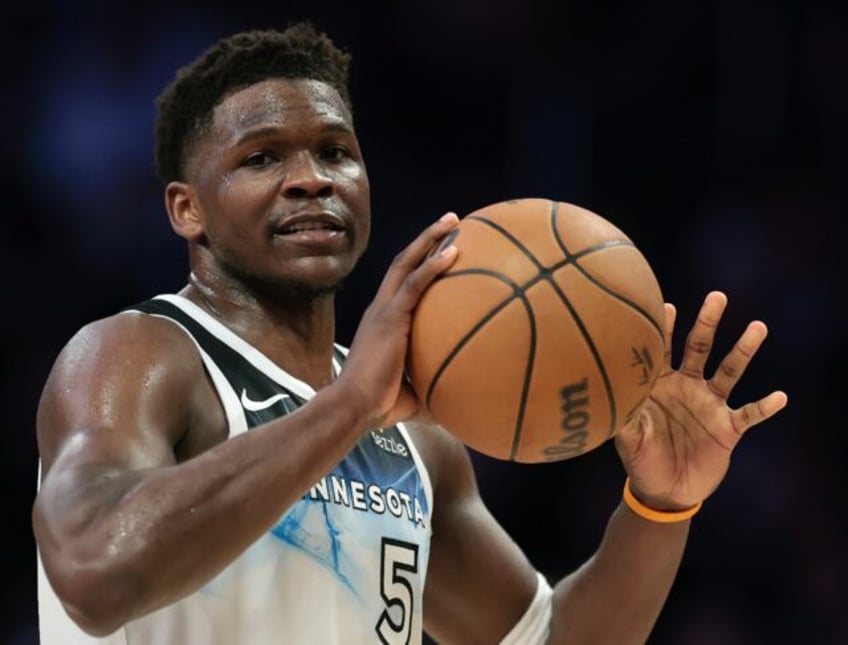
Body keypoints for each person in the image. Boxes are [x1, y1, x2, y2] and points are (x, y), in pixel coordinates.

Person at [32, 21, 787, 645]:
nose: (311, 178)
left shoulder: (418, 440)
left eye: (336, 152)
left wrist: (658, 508)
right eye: (262, 158)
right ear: (186, 209)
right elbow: (95, 572)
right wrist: (349, 404)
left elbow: (547, 638)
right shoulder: (136, 355)